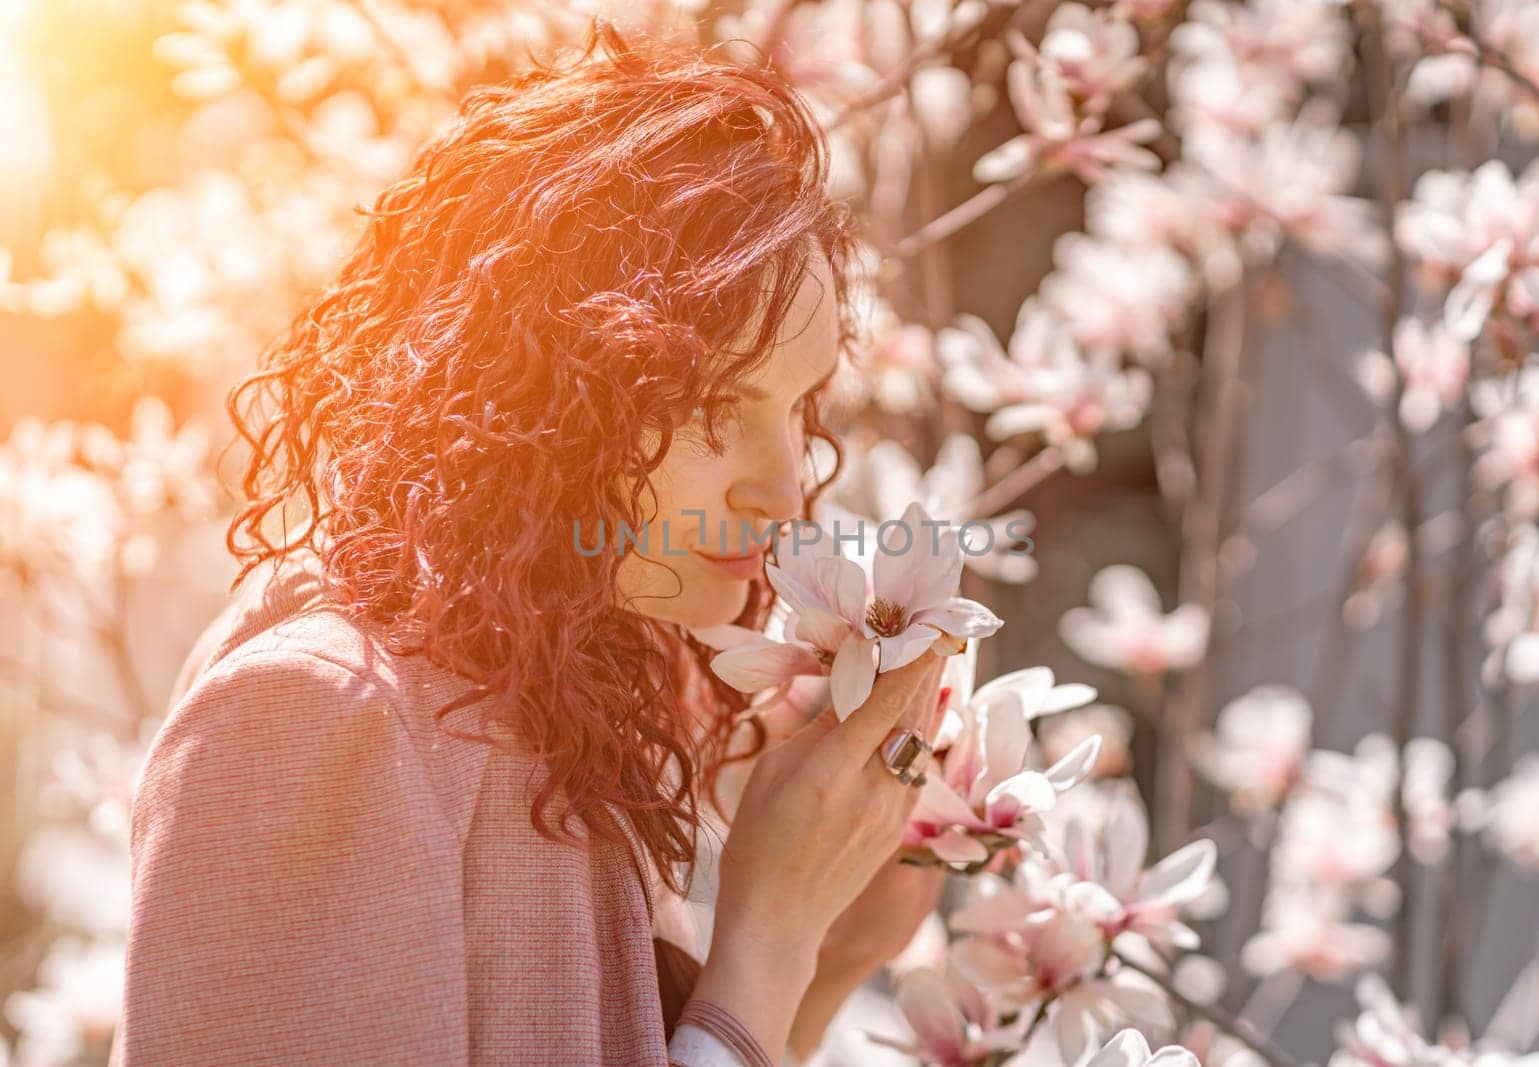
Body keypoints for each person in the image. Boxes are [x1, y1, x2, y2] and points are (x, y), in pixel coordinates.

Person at [111, 22, 948, 1067]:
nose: (783, 488)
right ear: (545, 398)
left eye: (799, 406)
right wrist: (766, 939)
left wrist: (826, 954)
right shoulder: (313, 721)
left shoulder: (566, 708)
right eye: (709, 406)